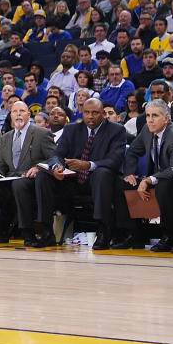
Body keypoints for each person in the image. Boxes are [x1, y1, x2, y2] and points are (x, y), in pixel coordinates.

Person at [34, 98, 126, 249]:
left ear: (102, 113)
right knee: (43, 175)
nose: (90, 116)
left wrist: (88, 165)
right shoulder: (71, 129)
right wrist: (57, 167)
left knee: (101, 173)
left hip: (99, 182)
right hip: (72, 181)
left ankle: (103, 232)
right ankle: (46, 231)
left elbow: (114, 160)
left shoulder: (116, 130)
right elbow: (57, 155)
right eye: (87, 112)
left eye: (95, 113)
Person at [113, 100, 173, 252]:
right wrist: (130, 173)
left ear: (166, 118)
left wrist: (150, 179)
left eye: (155, 115)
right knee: (123, 183)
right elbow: (132, 152)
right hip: (156, 177)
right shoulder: (147, 129)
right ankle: (134, 235)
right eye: (148, 115)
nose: (150, 119)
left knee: (163, 184)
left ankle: (170, 235)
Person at [0, 101, 56, 245]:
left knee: (20, 185)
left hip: (31, 181)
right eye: (14, 111)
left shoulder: (42, 133)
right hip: (9, 180)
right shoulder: (6, 137)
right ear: (10, 115)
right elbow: (1, 163)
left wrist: (38, 168)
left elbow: (54, 158)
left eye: (22, 111)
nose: (18, 114)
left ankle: (28, 233)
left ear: (29, 114)